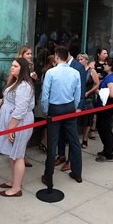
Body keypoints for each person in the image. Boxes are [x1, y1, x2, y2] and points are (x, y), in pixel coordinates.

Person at [41, 45, 82, 184]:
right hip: (70, 106)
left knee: (52, 142)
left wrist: (46, 110)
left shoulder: (51, 73)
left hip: (55, 108)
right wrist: (74, 107)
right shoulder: (75, 73)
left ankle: (49, 176)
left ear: (57, 57)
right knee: (74, 141)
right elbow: (78, 94)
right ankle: (77, 173)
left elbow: (45, 94)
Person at [0, 58, 35, 197]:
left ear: (22, 68)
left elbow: (20, 109)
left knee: (18, 155)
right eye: (12, 65)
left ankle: (16, 188)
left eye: (15, 66)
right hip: (12, 122)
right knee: (12, 155)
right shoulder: (15, 83)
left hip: (20, 123)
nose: (12, 68)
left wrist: (11, 128)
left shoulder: (24, 86)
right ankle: (13, 181)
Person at [95, 58, 113, 162]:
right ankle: (106, 149)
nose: (104, 65)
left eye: (106, 64)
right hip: (104, 106)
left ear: (110, 66)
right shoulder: (109, 76)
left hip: (107, 106)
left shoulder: (111, 79)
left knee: (105, 128)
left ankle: (108, 153)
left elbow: (112, 94)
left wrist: (99, 91)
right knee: (101, 127)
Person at [77, 53, 100, 149]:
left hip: (88, 98)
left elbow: (97, 84)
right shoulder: (77, 70)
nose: (80, 61)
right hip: (78, 98)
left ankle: (85, 139)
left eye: (81, 59)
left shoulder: (91, 71)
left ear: (86, 60)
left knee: (87, 120)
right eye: (78, 59)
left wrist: (89, 92)